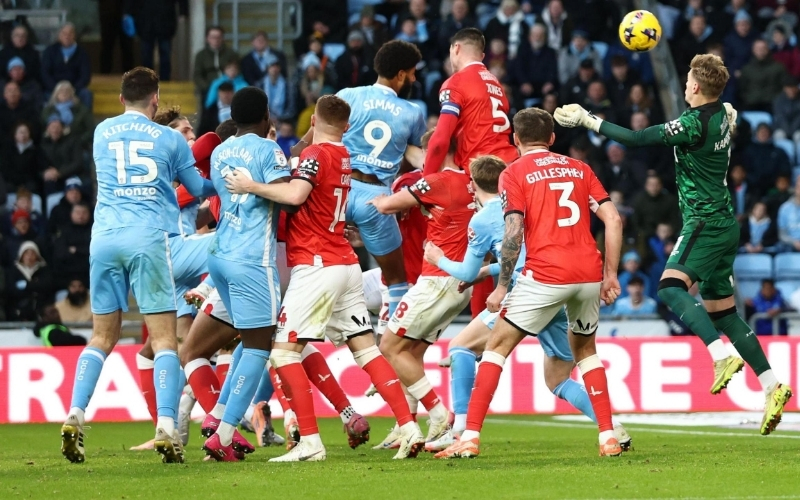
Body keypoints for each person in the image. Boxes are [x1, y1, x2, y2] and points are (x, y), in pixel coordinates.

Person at [554, 53, 793, 435]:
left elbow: (635, 138)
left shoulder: (693, 123)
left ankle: (720, 356)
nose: (684, 85)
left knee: (668, 287)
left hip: (704, 223)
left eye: (687, 80)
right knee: (725, 314)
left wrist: (589, 119)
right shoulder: (722, 115)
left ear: (696, 86)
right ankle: (773, 385)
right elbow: (724, 117)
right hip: (726, 223)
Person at [225, 94, 425, 462]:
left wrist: (250, 186)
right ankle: (410, 427)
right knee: (366, 349)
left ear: (313, 120)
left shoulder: (315, 157)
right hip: (346, 263)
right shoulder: (345, 155)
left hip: (317, 265)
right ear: (347, 127)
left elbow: (296, 193)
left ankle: (310, 442)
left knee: (283, 355)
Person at [435, 107, 623, 459]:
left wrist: (503, 285)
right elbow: (613, 218)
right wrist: (610, 274)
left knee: (496, 347)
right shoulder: (581, 168)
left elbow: (513, 231)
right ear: (552, 139)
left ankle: (469, 436)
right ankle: (608, 436)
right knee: (586, 353)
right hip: (587, 273)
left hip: (546, 273)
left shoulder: (514, 172)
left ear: (515, 139)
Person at [60, 67, 215, 465]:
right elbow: (197, 190)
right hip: (149, 238)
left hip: (105, 238)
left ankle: (75, 414)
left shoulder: (101, 132)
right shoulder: (168, 138)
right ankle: (166, 425)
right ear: (156, 99)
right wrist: (227, 180)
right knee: (165, 339)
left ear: (120, 99)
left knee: (101, 338)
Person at [295, 41, 426, 322]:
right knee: (397, 281)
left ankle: (303, 321)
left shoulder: (347, 95)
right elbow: (412, 155)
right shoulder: (413, 112)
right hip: (375, 199)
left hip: (337, 191)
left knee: (316, 263)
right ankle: (391, 339)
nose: (415, 79)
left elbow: (313, 137)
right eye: (413, 73)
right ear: (401, 75)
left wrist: (291, 159)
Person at [368, 126, 474, 450]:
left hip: (436, 280)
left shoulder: (437, 181)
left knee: (388, 346)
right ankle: (408, 426)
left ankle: (439, 414)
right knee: (410, 353)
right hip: (459, 283)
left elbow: (386, 206)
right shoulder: (470, 182)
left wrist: (366, 195)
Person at [198, 87, 288, 461]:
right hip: (252, 259)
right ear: (265, 115)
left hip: (219, 254)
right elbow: (288, 194)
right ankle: (224, 433)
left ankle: (219, 415)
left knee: (245, 339)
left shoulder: (220, 150)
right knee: (259, 346)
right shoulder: (270, 150)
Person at [422, 28, 518, 177]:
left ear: (456, 48)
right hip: (509, 165)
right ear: (482, 56)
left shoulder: (457, 82)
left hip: (483, 171)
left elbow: (441, 139)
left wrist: (426, 179)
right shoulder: (496, 84)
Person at [125, 0, 188, 81]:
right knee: (146, 55)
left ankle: (165, 81)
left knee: (165, 55)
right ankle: (147, 81)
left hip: (165, 20)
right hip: (145, 20)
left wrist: (183, 12)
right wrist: (127, 12)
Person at [41, 23, 92, 109]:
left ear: (74, 35)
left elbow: (85, 75)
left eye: (70, 33)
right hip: (54, 89)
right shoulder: (50, 51)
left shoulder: (82, 53)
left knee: (86, 94)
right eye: (64, 33)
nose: (67, 36)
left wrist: (72, 90)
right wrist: (57, 89)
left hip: (75, 89)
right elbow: (44, 72)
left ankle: (86, 121)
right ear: (59, 35)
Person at [6, 241, 54, 321]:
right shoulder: (14, 271)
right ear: (21, 255)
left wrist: (27, 285)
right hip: (19, 308)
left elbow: (46, 286)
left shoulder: (44, 270)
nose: (29, 257)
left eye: (32, 253)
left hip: (40, 308)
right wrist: (35, 286)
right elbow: (11, 290)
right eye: (26, 253)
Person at [41, 81, 95, 150]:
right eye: (61, 91)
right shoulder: (48, 110)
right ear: (56, 94)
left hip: (77, 146)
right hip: (53, 145)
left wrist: (79, 141)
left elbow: (90, 129)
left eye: (67, 91)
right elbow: (43, 127)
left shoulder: (82, 110)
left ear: (72, 94)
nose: (64, 93)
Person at [192, 26, 238, 102]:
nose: (216, 40)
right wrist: (207, 87)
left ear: (223, 38)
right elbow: (197, 75)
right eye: (213, 37)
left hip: (229, 87)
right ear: (207, 39)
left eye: (218, 37)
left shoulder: (231, 53)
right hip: (208, 87)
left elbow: (237, 70)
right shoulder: (201, 55)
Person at [51, 202, 91, 289]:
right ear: (71, 214)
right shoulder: (64, 231)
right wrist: (84, 252)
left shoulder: (96, 230)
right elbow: (60, 254)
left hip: (90, 276)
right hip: (67, 277)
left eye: (84, 212)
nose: (81, 215)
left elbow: (96, 252)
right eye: (78, 212)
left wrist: (76, 250)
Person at [41, 116, 85, 195]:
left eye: (58, 127)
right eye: (53, 127)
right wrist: (45, 173)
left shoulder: (73, 141)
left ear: (63, 128)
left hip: (70, 175)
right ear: (48, 129)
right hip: (52, 177)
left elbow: (78, 163)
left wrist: (60, 172)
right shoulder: (43, 144)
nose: (55, 130)